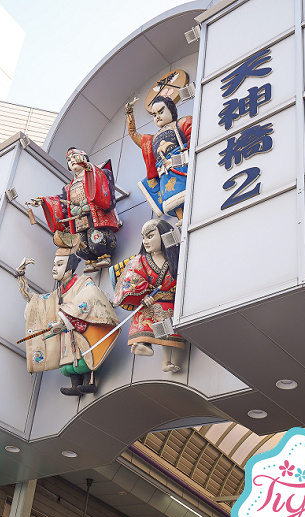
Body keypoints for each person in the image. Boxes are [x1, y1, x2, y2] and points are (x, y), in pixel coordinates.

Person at [17, 248, 120, 396]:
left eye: (59, 264)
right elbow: (34, 301)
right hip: (67, 331)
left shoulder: (84, 282)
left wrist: (67, 314)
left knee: (86, 356)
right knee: (68, 363)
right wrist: (21, 275)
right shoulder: (58, 293)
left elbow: (91, 295)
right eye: (54, 264)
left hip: (82, 327)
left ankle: (89, 382)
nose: (54, 268)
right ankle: (75, 385)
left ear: (70, 269)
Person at [112, 219, 187, 371]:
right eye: (143, 237)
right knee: (145, 320)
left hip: (169, 303)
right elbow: (133, 278)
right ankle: (143, 344)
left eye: (150, 236)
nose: (145, 241)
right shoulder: (140, 260)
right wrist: (142, 296)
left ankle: (166, 362)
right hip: (148, 302)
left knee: (167, 332)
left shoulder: (174, 260)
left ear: (164, 236)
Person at [27, 148, 119, 270]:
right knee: (80, 242)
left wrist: (88, 167)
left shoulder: (96, 173)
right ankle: (90, 260)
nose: (72, 161)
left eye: (75, 157)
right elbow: (61, 201)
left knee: (96, 236)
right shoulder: (68, 188)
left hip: (93, 214)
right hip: (78, 218)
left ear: (85, 158)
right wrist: (44, 201)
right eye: (69, 160)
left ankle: (104, 255)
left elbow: (101, 182)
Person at [127, 95, 193, 222]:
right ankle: (182, 220)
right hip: (165, 173)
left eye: (161, 112)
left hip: (183, 166)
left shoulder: (182, 123)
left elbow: (194, 140)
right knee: (174, 201)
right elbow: (133, 133)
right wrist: (129, 113)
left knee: (190, 192)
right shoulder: (151, 140)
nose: (157, 117)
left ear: (171, 110)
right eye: (154, 114)